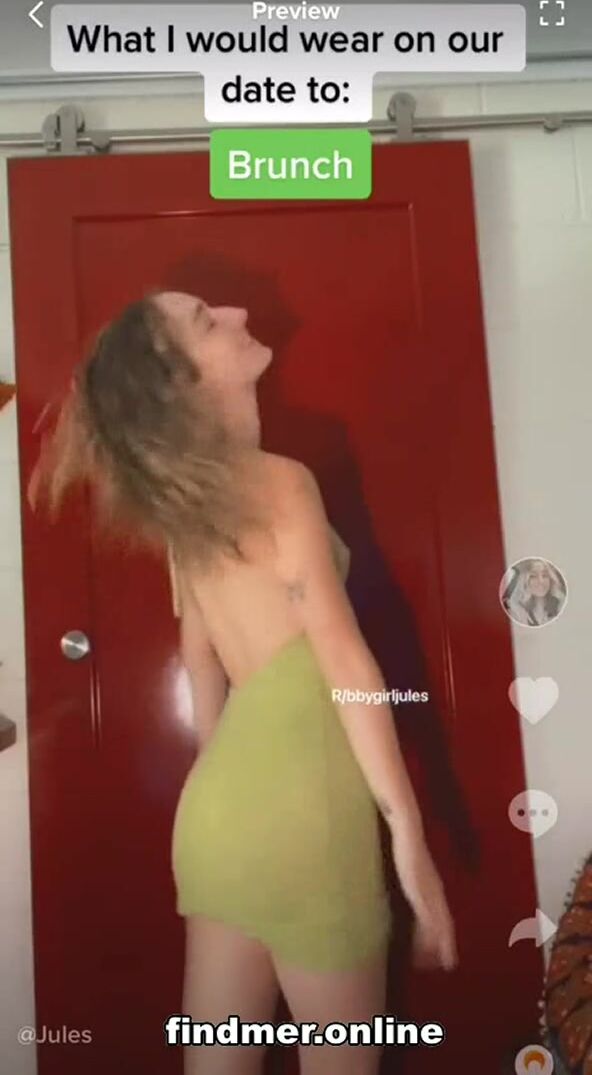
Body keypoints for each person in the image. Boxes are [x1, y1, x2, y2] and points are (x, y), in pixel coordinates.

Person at [28, 289, 457, 1075]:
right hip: (308, 816)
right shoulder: (283, 482)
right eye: (205, 320)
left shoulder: (183, 514)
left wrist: (231, 782)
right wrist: (408, 833)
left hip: (215, 818)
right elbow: (345, 660)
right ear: (182, 380)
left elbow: (202, 662)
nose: (232, 312)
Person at [501, 558, 566, 628]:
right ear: (525, 581)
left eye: (545, 575)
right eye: (533, 576)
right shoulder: (517, 613)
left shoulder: (561, 605)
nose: (541, 581)